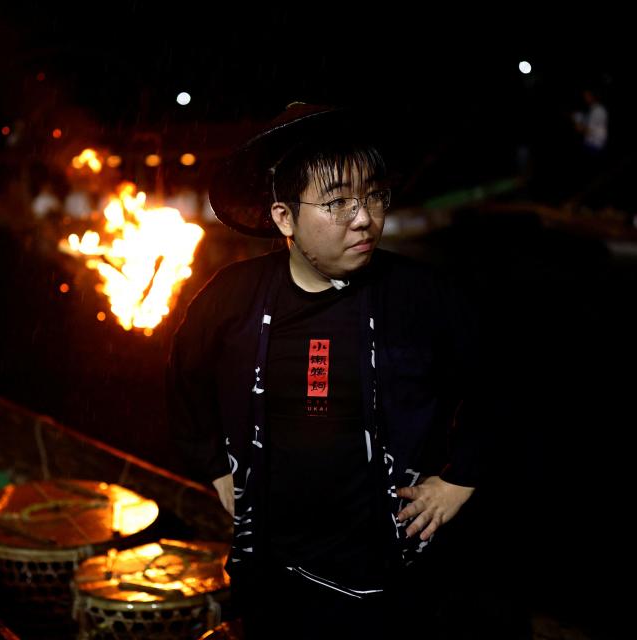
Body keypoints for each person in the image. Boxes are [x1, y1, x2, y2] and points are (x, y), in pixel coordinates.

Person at [167, 103, 488, 638]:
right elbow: (184, 375)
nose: (364, 219)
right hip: (274, 564)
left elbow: (494, 385)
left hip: (390, 573)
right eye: (338, 203)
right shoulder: (233, 297)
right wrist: (214, 465)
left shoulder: (421, 297)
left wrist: (458, 482)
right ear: (285, 217)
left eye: (373, 197)